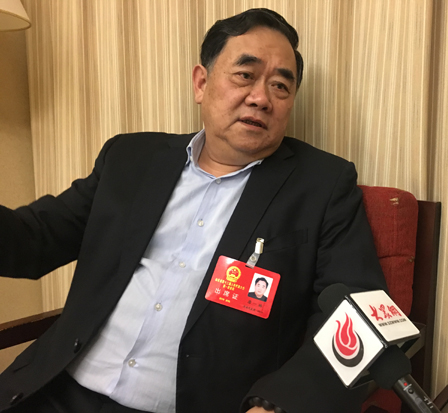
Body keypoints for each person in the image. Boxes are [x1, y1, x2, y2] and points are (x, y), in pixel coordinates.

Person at [0, 8, 387, 413]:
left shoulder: (322, 186)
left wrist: (277, 405)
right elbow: (35, 239)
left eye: (280, 86)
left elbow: (363, 313)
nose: (261, 98)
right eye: (245, 75)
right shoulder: (131, 158)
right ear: (201, 83)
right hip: (58, 391)